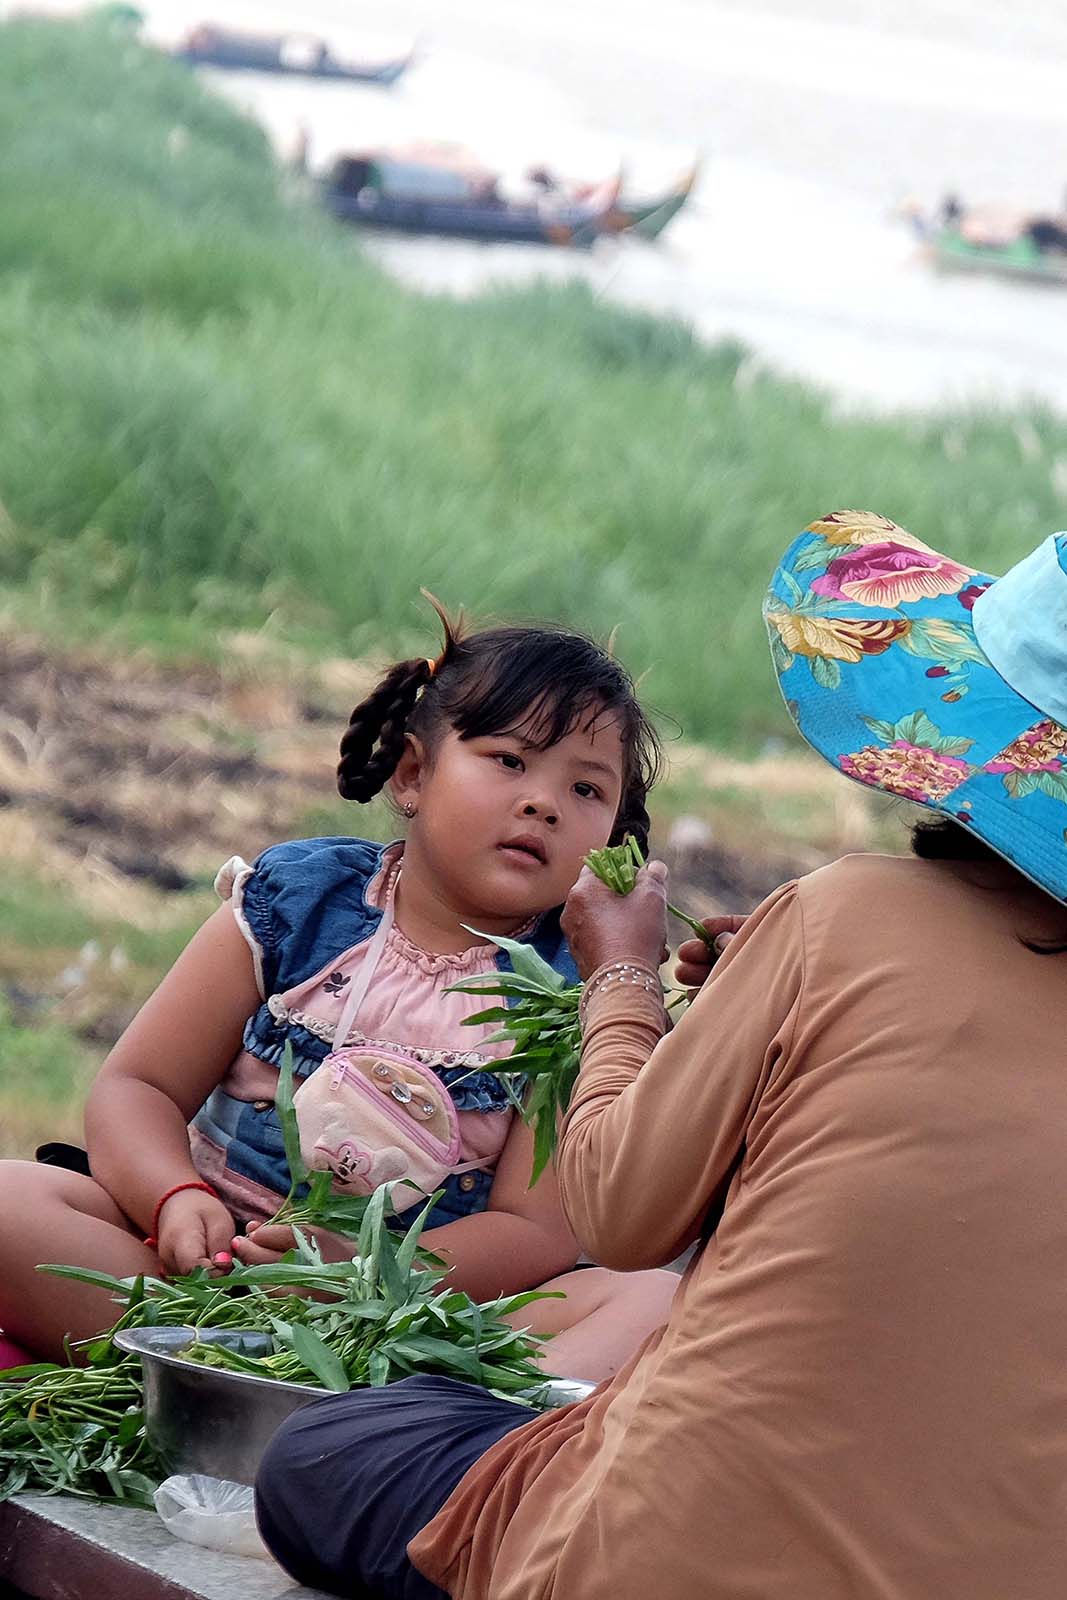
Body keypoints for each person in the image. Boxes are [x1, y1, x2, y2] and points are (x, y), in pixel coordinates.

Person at [256, 510, 1067, 1599]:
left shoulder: (846, 915)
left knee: (332, 1451)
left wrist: (621, 982)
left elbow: (620, 1216)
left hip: (654, 1557)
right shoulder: (833, 932)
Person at [0, 609, 679, 1379]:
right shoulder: (299, 900)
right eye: (510, 762)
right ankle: (199, 1379)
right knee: (8, 1202)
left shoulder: (572, 994)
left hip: (399, 1333)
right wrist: (171, 1198)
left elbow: (533, 1232)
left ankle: (369, 1437)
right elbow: (138, 1086)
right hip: (194, 1279)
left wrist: (361, 1269)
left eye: (586, 788)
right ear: (414, 773)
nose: (544, 803)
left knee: (651, 1304)